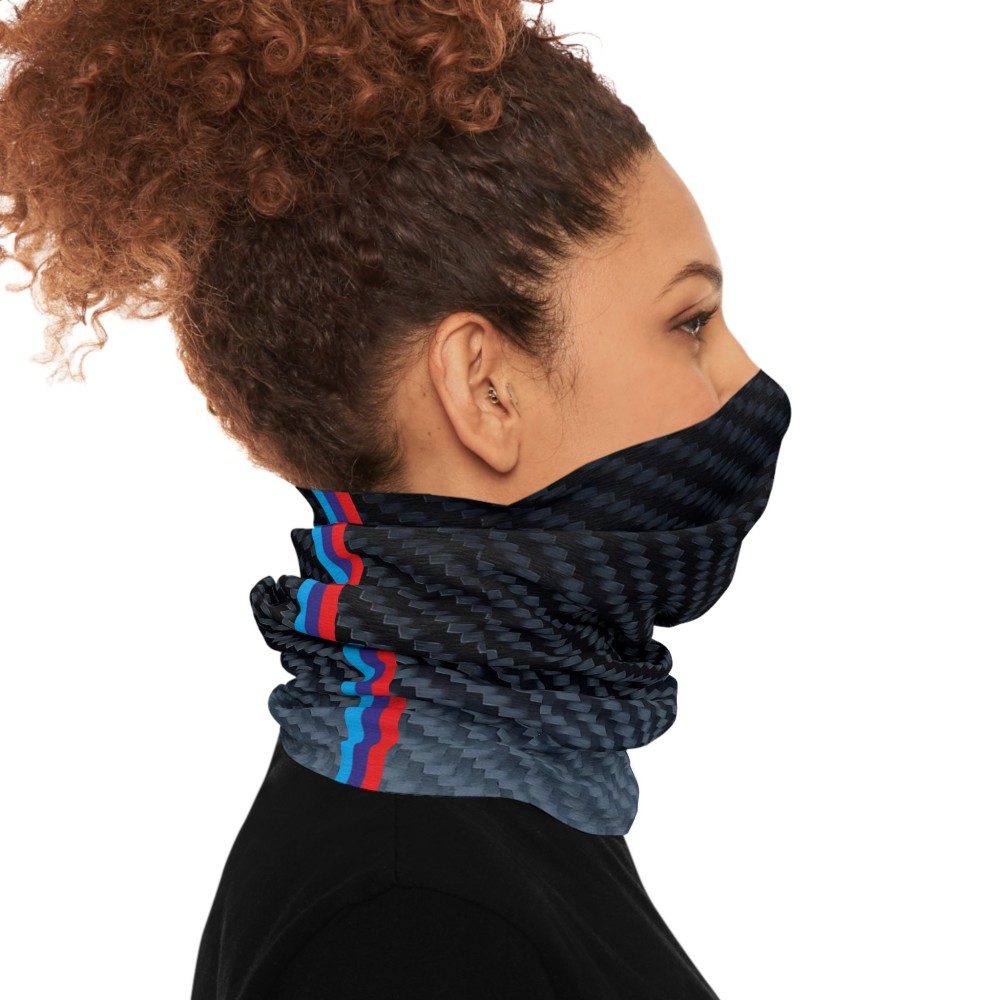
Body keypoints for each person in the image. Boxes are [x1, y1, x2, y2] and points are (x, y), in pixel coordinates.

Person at [0, 2, 791, 997]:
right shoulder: (413, 918)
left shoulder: (478, 789)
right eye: (690, 321)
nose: (747, 379)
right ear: (485, 389)